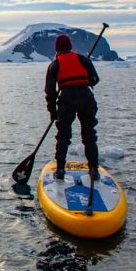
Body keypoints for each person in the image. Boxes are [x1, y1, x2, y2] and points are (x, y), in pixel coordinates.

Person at [45, 34, 101, 180]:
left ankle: (61, 169)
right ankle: (94, 169)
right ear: (70, 47)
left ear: (57, 49)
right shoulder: (83, 59)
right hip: (86, 97)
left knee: (63, 136)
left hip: (67, 99)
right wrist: (81, 78)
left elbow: (50, 91)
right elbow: (94, 80)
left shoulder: (54, 64)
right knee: (89, 135)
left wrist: (53, 112)